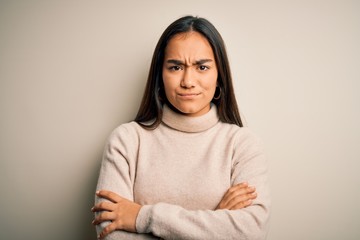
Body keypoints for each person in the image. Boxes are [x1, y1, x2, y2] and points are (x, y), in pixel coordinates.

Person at [91, 15, 270, 240]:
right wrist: (217, 220)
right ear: (160, 76)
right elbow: (112, 236)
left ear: (219, 76)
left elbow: (251, 232)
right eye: (176, 67)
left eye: (202, 67)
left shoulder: (242, 144)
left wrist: (142, 217)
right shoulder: (127, 140)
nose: (188, 81)